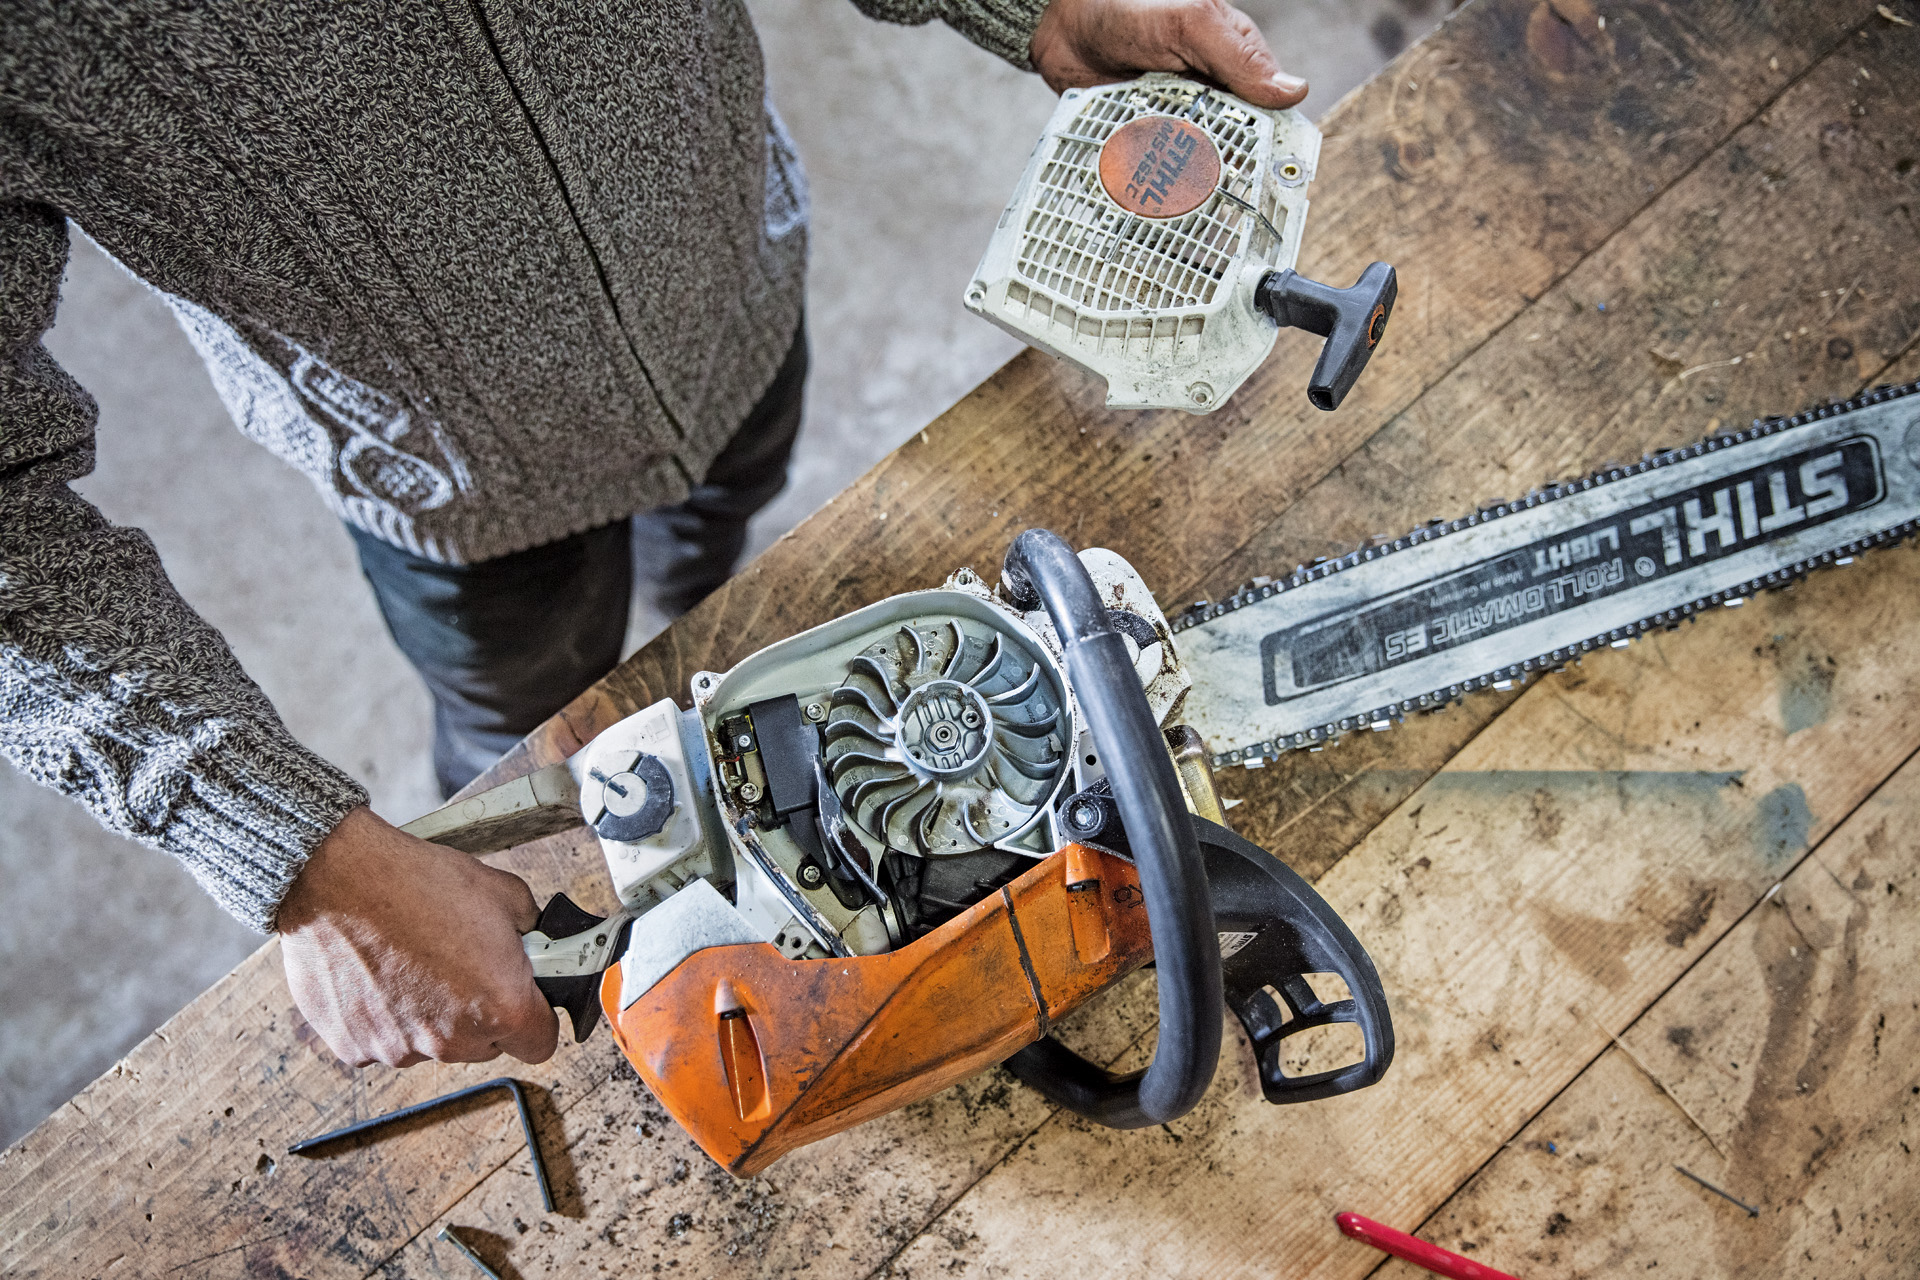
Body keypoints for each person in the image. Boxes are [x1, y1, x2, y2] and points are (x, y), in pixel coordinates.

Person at [0, 0, 1307, 1071]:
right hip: (453, 495)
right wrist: (297, 856)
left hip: (732, 313)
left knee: (718, 562)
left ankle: (696, 613)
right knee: (519, 716)